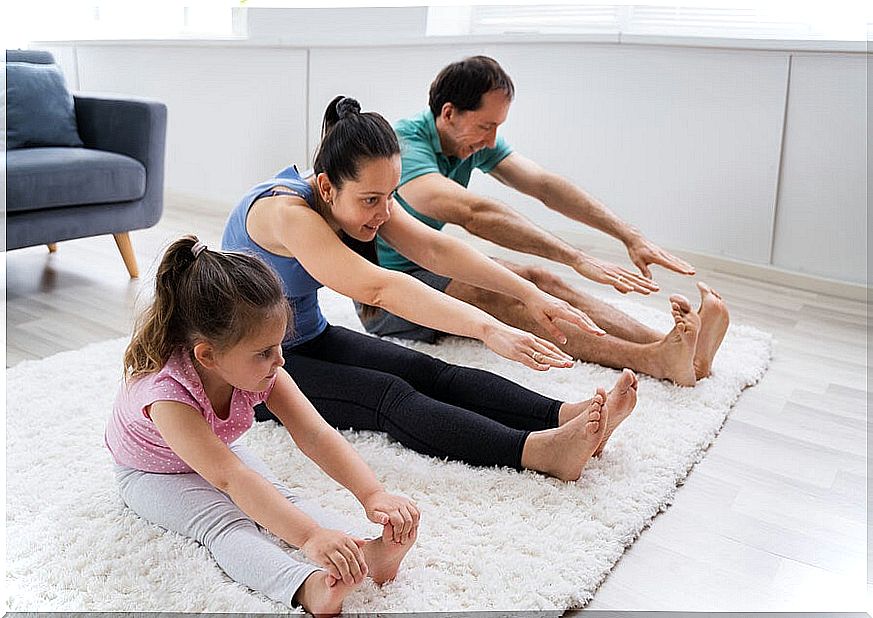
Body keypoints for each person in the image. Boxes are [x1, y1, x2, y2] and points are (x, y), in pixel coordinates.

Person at [222, 95, 640, 482]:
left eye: (390, 195)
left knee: (428, 370)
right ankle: (537, 452)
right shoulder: (286, 214)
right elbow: (380, 289)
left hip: (308, 336)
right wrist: (486, 327)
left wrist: (530, 294)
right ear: (327, 186)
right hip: (254, 365)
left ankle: (563, 416)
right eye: (372, 200)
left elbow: (434, 249)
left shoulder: (354, 196)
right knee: (390, 395)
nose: (384, 211)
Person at [364, 55, 730, 387]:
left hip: (433, 262)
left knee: (541, 280)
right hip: (385, 297)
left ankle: (675, 346)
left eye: (497, 128)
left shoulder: (466, 139)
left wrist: (628, 236)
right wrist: (577, 257)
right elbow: (474, 214)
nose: (491, 140)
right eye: (485, 126)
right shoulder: (404, 148)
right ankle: (652, 360)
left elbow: (544, 185)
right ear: (448, 113)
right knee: (503, 298)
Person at [106, 236, 419, 616]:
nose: (280, 360)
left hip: (217, 453)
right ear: (208, 356)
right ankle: (305, 588)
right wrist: (309, 538)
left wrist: (372, 494)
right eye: (264, 352)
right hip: (151, 472)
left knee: (281, 498)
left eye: (279, 345)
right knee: (226, 523)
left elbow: (316, 434)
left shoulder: (264, 372)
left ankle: (366, 554)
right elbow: (230, 479)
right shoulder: (167, 395)